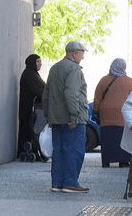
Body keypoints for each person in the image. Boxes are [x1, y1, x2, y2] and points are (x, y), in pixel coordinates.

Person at [42, 41, 89, 193]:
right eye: (82, 53)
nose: (83, 57)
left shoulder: (55, 68)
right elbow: (71, 93)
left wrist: (49, 115)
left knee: (59, 151)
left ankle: (57, 183)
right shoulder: (74, 68)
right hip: (72, 118)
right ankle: (70, 183)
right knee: (74, 151)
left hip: (56, 118)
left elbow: (46, 94)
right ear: (74, 53)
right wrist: (73, 116)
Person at [93, 58, 132, 168]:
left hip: (106, 115)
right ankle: (123, 161)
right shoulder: (129, 81)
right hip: (122, 115)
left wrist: (96, 111)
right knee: (123, 137)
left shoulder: (103, 80)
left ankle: (106, 160)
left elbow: (97, 97)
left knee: (107, 137)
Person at [18, 54, 45, 159]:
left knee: (32, 130)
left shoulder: (34, 74)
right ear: (32, 63)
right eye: (38, 61)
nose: (40, 64)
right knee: (27, 130)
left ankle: (33, 151)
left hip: (34, 109)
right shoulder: (28, 75)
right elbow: (36, 90)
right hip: (28, 109)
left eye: (40, 61)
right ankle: (26, 152)